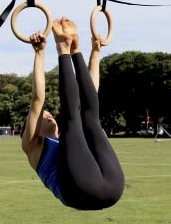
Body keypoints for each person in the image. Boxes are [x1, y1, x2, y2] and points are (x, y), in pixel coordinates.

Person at [21, 17, 124, 210]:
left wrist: (95, 53)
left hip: (111, 187)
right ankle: (63, 48)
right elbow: (38, 100)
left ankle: (74, 49)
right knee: (79, 119)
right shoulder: (32, 145)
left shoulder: (70, 141)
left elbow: (90, 93)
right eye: (44, 116)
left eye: (49, 113)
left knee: (87, 119)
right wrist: (40, 53)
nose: (49, 115)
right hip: (79, 192)